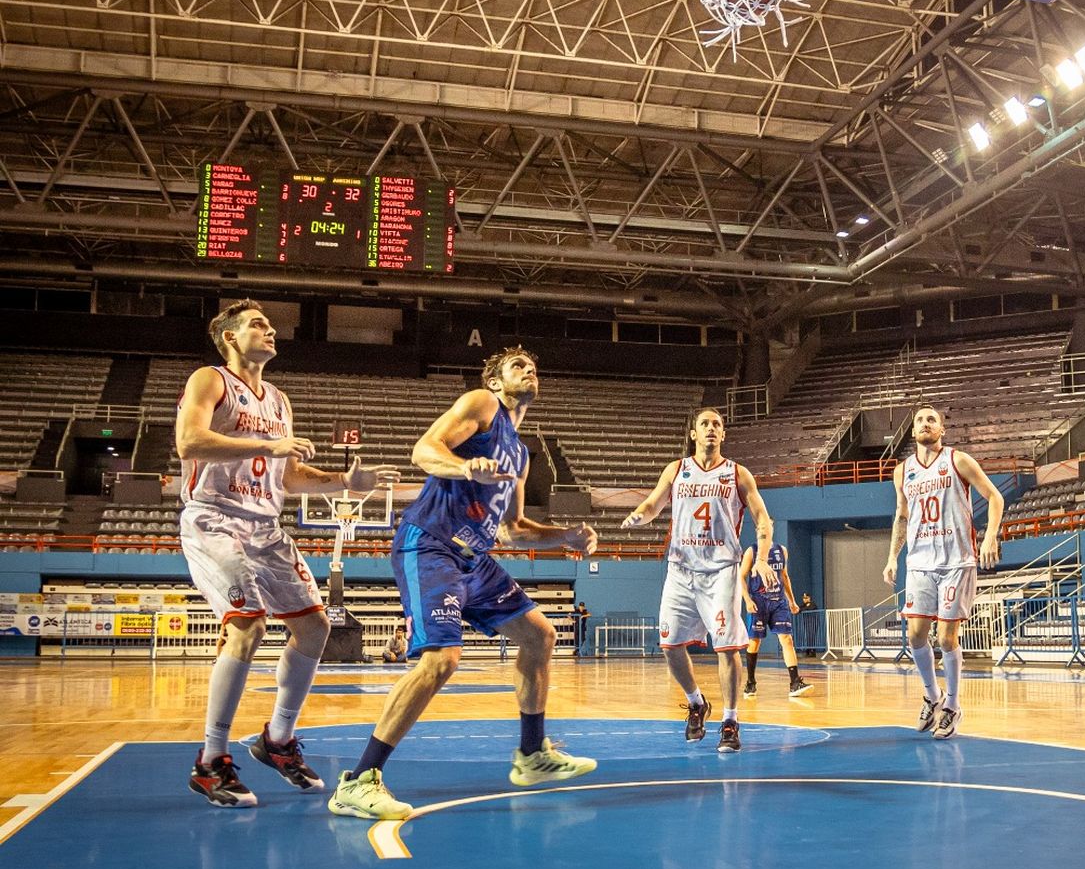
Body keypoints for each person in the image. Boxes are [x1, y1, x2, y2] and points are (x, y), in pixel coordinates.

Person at [329, 347, 598, 820]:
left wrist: (567, 536)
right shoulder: (482, 405)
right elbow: (424, 450)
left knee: (539, 635)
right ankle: (359, 780)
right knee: (441, 660)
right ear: (495, 381)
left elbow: (514, 528)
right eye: (518, 366)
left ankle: (532, 756)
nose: (529, 370)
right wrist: (463, 466)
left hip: (474, 558)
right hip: (430, 543)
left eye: (534, 365)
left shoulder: (520, 451)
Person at [176, 299, 400, 808]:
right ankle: (211, 760)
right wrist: (265, 448)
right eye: (258, 324)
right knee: (247, 625)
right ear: (231, 337)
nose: (271, 330)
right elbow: (189, 442)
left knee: (315, 627)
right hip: (214, 517)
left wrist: (345, 480)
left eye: (271, 324)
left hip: (265, 526)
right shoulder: (209, 380)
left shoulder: (278, 399)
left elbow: (289, 476)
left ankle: (276, 742)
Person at [622, 408, 775, 754]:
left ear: (723, 435)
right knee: (669, 645)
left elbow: (762, 517)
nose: (711, 429)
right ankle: (696, 702)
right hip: (680, 569)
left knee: (727, 648)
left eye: (717, 424)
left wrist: (762, 557)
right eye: (704, 424)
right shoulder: (677, 470)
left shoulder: (738, 474)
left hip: (721, 571)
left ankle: (731, 720)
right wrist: (638, 517)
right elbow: (652, 504)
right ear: (693, 433)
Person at [883, 405, 1004, 740]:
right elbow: (902, 516)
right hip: (919, 561)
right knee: (915, 635)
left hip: (956, 560)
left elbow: (994, 497)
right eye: (920, 420)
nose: (925, 423)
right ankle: (931, 695)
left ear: (942, 429)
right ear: (912, 431)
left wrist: (991, 533)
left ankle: (952, 704)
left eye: (932, 419)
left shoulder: (958, 461)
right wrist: (893, 556)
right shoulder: (902, 471)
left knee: (946, 638)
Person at [740, 542, 812, 698]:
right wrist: (747, 599)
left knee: (787, 639)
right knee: (754, 642)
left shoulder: (782, 551)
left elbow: (784, 576)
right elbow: (740, 576)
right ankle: (750, 682)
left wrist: (792, 601)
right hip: (758, 602)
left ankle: (795, 682)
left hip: (778, 602)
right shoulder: (751, 552)